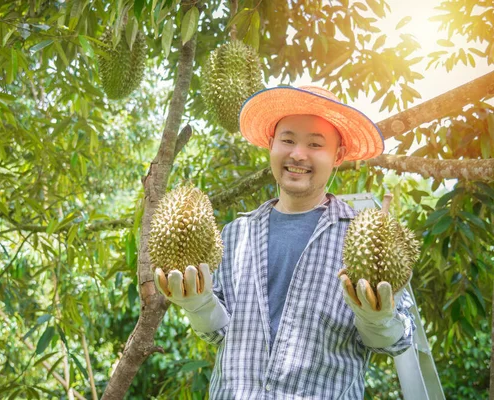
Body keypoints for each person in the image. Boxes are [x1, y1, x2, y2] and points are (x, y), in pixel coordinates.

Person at [154, 86, 416, 399]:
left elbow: (396, 342)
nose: (297, 154)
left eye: (315, 144)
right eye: (288, 140)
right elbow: (218, 332)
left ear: (338, 155)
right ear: (271, 144)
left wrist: (379, 320)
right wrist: (198, 305)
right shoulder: (234, 234)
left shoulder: (367, 236)